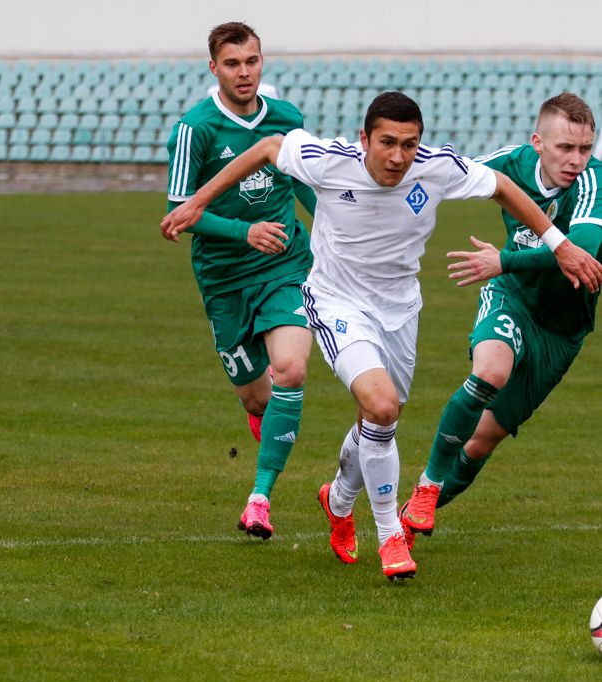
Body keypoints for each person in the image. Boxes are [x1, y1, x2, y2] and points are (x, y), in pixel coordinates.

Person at [161, 91, 602, 580]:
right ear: (365, 139)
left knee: (377, 421)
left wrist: (558, 245)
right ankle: (391, 534)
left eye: (409, 144)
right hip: (336, 304)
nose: (397, 156)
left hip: (400, 311)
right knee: (382, 406)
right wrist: (197, 202)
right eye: (387, 142)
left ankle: (339, 498)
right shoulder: (327, 160)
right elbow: (268, 147)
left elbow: (500, 185)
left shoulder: (435, 168)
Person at [400, 92, 602, 546]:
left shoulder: (594, 182)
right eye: (565, 148)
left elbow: (580, 253)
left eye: (585, 148)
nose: (576, 159)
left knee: (478, 444)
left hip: (562, 332)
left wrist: (505, 260)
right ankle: (427, 488)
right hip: (511, 297)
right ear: (537, 142)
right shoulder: (508, 165)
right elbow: (444, 172)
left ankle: (400, 521)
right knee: (490, 371)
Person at [163, 21, 317, 541]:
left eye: (251, 61)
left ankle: (259, 499)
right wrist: (242, 230)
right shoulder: (195, 129)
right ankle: (262, 415)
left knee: (291, 369)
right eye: (232, 64)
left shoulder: (287, 119)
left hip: (285, 266)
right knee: (257, 398)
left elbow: (306, 185)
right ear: (214, 68)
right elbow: (178, 214)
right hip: (224, 278)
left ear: (262, 60)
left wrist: (335, 239)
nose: (244, 72)